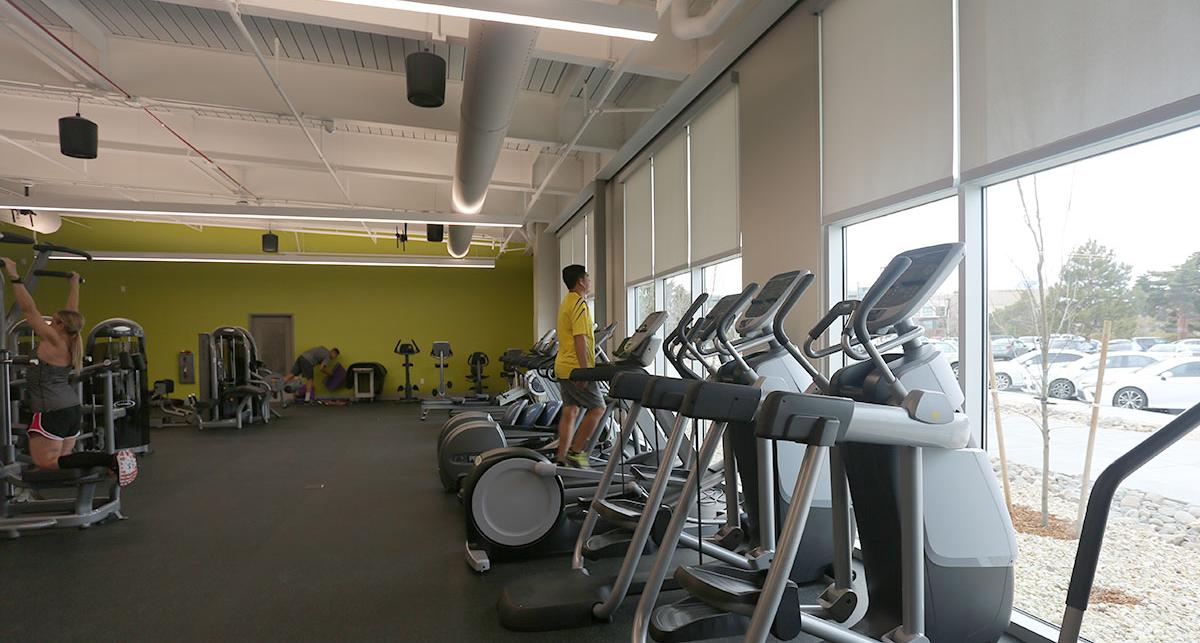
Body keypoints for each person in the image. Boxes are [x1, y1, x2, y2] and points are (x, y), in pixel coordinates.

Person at [0, 258, 137, 486]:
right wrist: (74, 283)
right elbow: (72, 310)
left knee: (47, 463)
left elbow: (28, 309)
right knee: (63, 459)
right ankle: (110, 462)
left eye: (53, 321)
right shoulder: (71, 339)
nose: (49, 323)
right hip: (71, 410)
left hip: (51, 412)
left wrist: (13, 273)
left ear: (61, 326)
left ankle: (111, 460)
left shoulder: (54, 340)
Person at [554, 265, 606, 469]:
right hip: (575, 368)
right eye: (588, 277)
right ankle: (576, 452)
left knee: (570, 411)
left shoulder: (566, 302)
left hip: (563, 367)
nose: (590, 280)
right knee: (598, 408)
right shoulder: (579, 305)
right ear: (581, 281)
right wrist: (585, 372)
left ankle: (561, 457)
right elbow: (579, 339)